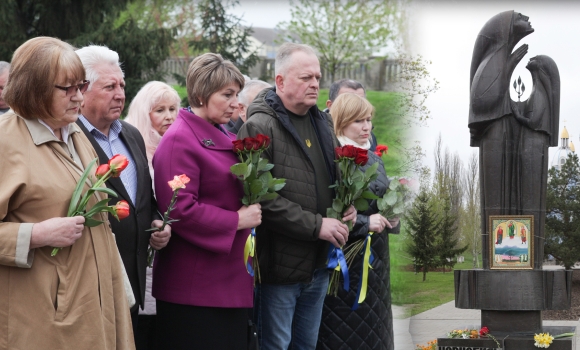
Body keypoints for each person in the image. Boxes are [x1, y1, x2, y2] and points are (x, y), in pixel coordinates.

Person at [0, 36, 133, 349]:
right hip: (44, 320)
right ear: (34, 87)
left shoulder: (74, 132)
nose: (78, 98)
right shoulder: (6, 144)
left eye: (82, 86)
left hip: (95, 308)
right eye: (67, 88)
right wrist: (36, 234)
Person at [238, 42, 357, 350]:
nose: (315, 83)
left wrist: (347, 205)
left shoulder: (323, 121)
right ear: (280, 81)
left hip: (317, 264)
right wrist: (317, 225)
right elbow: (260, 199)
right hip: (279, 268)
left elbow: (331, 178)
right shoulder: (258, 125)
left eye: (317, 77)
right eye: (306, 77)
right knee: (275, 346)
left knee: (306, 346)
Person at [152, 53, 262, 350]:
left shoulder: (219, 132)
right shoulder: (180, 139)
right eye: (227, 94)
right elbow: (179, 209)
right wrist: (237, 220)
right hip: (195, 291)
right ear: (201, 94)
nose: (235, 103)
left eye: (237, 94)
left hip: (223, 283)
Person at [75, 45, 171, 335]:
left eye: (122, 85)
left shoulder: (130, 134)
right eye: (109, 87)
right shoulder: (69, 140)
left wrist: (157, 221)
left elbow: (143, 198)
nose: (120, 94)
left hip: (134, 280)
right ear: (82, 90)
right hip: (92, 284)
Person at [317, 92, 399, 350]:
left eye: (368, 119)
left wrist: (393, 216)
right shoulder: (333, 159)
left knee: (376, 331)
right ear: (340, 122)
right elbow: (328, 211)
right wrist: (364, 223)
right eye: (358, 121)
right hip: (346, 264)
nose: (366, 127)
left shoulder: (372, 157)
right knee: (344, 332)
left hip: (377, 262)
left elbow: (379, 200)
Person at [124, 81, 180, 349]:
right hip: (143, 251)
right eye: (160, 110)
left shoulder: (177, 147)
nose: (169, 116)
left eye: (173, 109)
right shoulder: (134, 149)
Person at [325, 79, 378, 151]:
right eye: (347, 100)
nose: (356, 104)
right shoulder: (320, 138)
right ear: (330, 105)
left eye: (360, 99)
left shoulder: (369, 137)